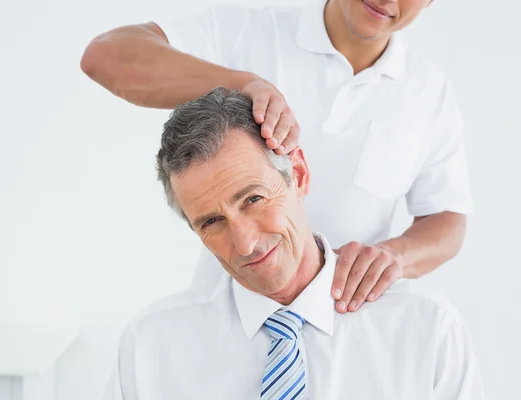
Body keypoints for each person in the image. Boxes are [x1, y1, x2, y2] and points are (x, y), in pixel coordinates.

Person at [81, 0, 472, 313]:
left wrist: (394, 257)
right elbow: (106, 56)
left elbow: (447, 218)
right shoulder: (249, 34)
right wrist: (242, 84)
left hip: (347, 321)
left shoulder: (430, 93)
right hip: (229, 320)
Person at [117, 88, 483, 399]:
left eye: (253, 199)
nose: (245, 243)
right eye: (212, 222)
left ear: (300, 175)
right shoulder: (150, 347)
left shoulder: (425, 329)